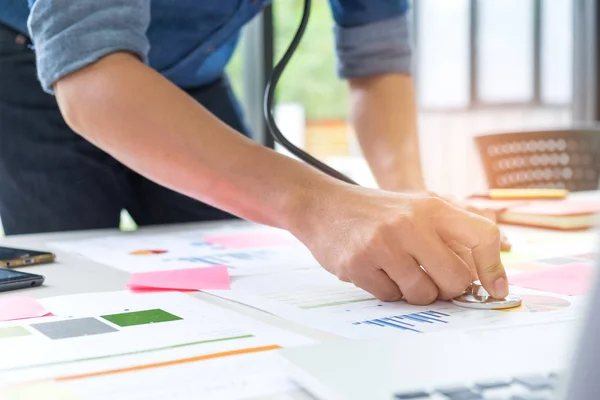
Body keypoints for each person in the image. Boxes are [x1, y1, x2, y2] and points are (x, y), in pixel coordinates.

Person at [0, 0, 509, 304]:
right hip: (38, 63)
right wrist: (318, 204)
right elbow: (90, 75)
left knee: (233, 273)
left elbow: (376, 57)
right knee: (77, 281)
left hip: (193, 74)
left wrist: (408, 196)